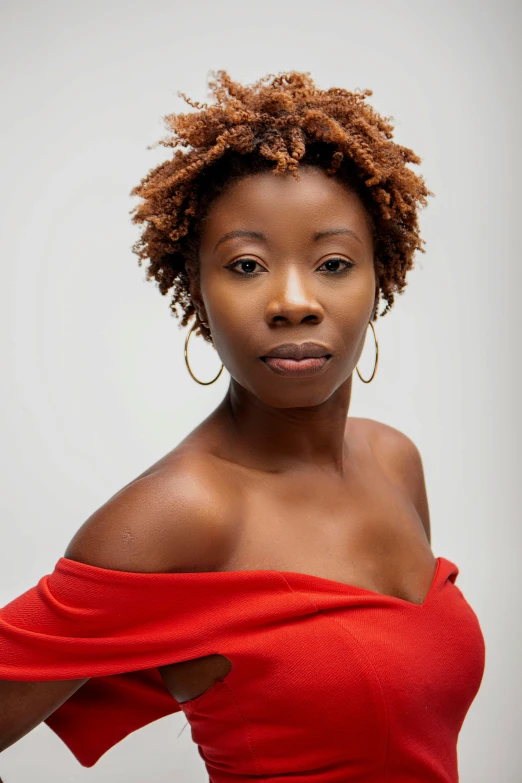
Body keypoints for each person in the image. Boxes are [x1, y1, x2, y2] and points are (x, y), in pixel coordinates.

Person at [0, 70, 485, 781]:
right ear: (196, 288)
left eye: (334, 262)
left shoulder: (393, 460)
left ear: (381, 275)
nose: (294, 300)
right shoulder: (182, 512)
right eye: (247, 264)